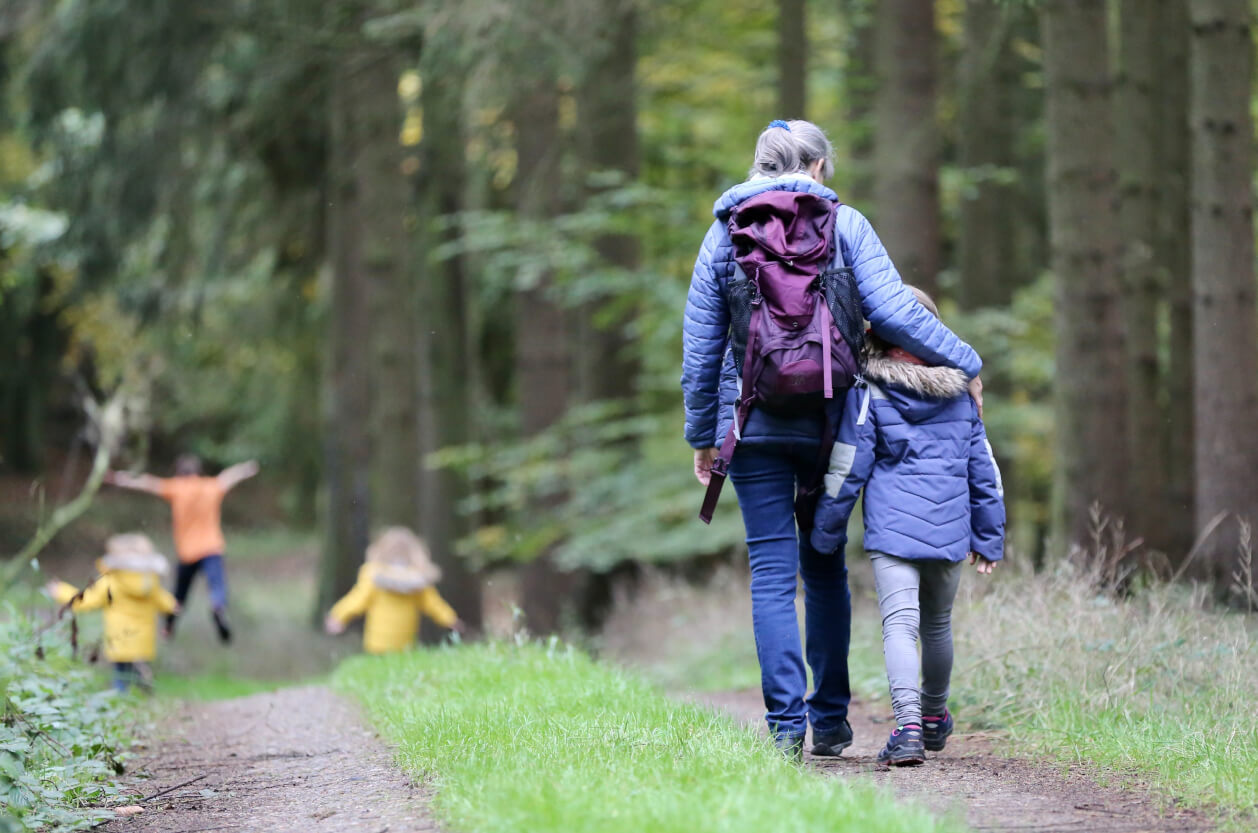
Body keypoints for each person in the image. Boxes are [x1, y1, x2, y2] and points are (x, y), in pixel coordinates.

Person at [681, 119, 984, 759]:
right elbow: (898, 312)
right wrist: (967, 362)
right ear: (818, 167)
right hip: (832, 422)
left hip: (754, 422)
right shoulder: (846, 225)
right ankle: (832, 721)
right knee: (823, 565)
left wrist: (703, 436)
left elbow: (701, 350)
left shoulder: (722, 234)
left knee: (770, 572)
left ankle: (786, 730)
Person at [810, 287, 1005, 767]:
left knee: (900, 625)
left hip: (894, 533)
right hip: (950, 528)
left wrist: (826, 530)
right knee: (937, 625)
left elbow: (848, 465)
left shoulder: (869, 390)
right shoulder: (962, 393)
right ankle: (936, 717)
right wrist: (989, 536)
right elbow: (985, 471)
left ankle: (910, 728)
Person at [103, 454, 259, 643]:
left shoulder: (176, 488)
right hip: (212, 548)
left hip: (188, 553)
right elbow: (229, 476)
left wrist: (118, 478)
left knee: (180, 593)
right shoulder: (210, 486)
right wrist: (247, 468)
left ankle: (169, 626)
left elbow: (146, 482)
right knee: (217, 585)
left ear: (178, 473)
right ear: (198, 472)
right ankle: (218, 607)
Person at [45, 533, 179, 692]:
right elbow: (164, 601)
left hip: (120, 639)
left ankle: (122, 696)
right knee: (137, 667)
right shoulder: (150, 582)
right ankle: (142, 687)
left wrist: (61, 591)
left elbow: (86, 600)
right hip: (143, 640)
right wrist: (173, 606)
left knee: (121, 674)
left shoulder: (111, 581)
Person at [324, 527, 464, 653]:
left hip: (377, 642)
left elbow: (357, 599)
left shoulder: (373, 573)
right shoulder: (418, 578)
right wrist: (450, 619)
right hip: (405, 642)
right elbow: (433, 604)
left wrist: (338, 616)